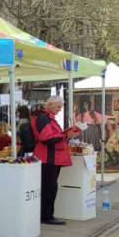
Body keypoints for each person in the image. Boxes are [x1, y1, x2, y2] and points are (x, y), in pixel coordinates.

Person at [32, 95, 76, 226]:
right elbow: (46, 138)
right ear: (50, 104)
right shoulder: (43, 118)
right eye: (58, 106)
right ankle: (46, 216)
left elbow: (50, 137)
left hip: (50, 157)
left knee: (49, 187)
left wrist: (65, 136)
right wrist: (65, 135)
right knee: (49, 188)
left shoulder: (45, 118)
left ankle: (46, 215)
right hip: (48, 158)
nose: (60, 109)